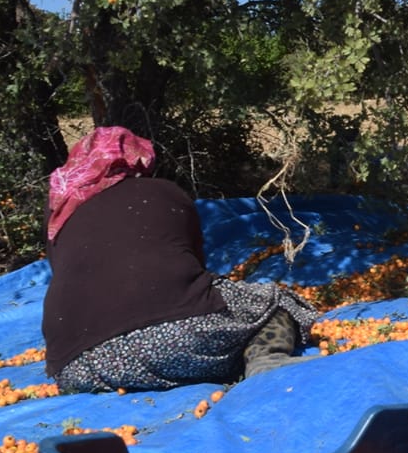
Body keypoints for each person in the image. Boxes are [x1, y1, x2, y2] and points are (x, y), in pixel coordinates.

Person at [41, 126, 316, 391]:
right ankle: (266, 359)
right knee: (277, 303)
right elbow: (195, 271)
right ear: (137, 162)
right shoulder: (164, 192)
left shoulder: (57, 216)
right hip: (177, 340)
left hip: (77, 368)